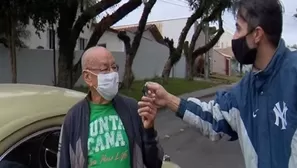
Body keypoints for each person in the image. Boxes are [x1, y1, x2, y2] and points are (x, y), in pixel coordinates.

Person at [138, 0, 297, 168]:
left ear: (257, 34)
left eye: (238, 29)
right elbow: (212, 117)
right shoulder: (243, 91)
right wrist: (168, 99)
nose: (234, 38)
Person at [57, 46, 163, 168]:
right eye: (105, 69)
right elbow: (63, 163)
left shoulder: (132, 108)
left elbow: (155, 163)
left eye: (114, 67)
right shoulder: (73, 118)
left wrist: (149, 131)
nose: (113, 74)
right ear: (87, 77)